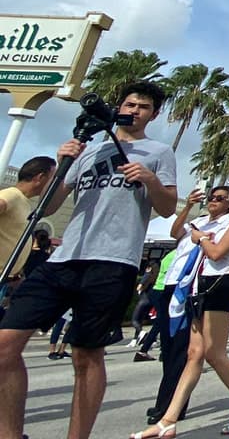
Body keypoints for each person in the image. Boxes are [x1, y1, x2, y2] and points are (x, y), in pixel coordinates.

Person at [0, 81, 178, 439]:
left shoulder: (158, 152)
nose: (135, 110)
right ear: (118, 106)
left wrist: (150, 180)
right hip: (64, 259)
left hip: (113, 262)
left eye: (143, 106)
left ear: (153, 114)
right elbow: (49, 206)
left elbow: (167, 207)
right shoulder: (88, 151)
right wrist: (63, 164)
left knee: (86, 355)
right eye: (130, 103)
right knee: (5, 345)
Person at [131, 178, 229, 438]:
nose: (221, 202)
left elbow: (216, 252)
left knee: (214, 354)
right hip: (204, 286)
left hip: (219, 287)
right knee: (195, 354)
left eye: (228, 197)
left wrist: (200, 238)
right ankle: (168, 420)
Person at [0, 156, 55, 319]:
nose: (54, 183)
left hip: (9, 279)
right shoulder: (13, 195)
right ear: (40, 177)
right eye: (52, 178)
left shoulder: (24, 202)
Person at [129, 259, 163, 346]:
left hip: (144, 299)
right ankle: (151, 339)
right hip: (152, 300)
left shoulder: (149, 274)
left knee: (135, 319)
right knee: (151, 319)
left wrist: (141, 286)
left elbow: (139, 287)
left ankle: (141, 332)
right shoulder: (158, 276)